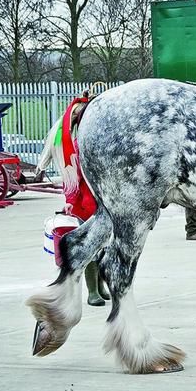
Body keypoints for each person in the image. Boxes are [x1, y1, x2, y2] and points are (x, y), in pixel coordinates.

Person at [61, 91, 109, 306]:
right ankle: (92, 291)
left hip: (99, 196)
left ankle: (100, 285)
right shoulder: (72, 143)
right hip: (83, 200)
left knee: (104, 244)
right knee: (90, 242)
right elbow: (71, 175)